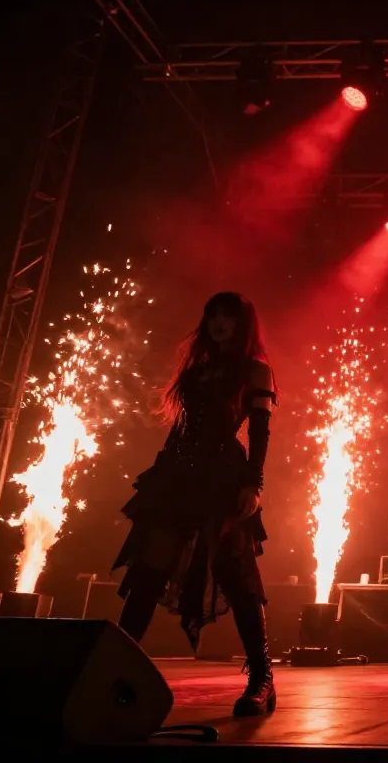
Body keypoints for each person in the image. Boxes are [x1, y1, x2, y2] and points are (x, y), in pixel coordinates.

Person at [112, 292, 278, 717]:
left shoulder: (255, 370)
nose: (218, 322)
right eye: (212, 315)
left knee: (237, 575)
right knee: (148, 574)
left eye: (228, 316)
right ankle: (114, 671)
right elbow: (181, 429)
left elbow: (259, 432)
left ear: (242, 324)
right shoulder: (197, 371)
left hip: (222, 479)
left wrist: (254, 483)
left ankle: (262, 678)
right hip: (178, 478)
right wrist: (161, 475)